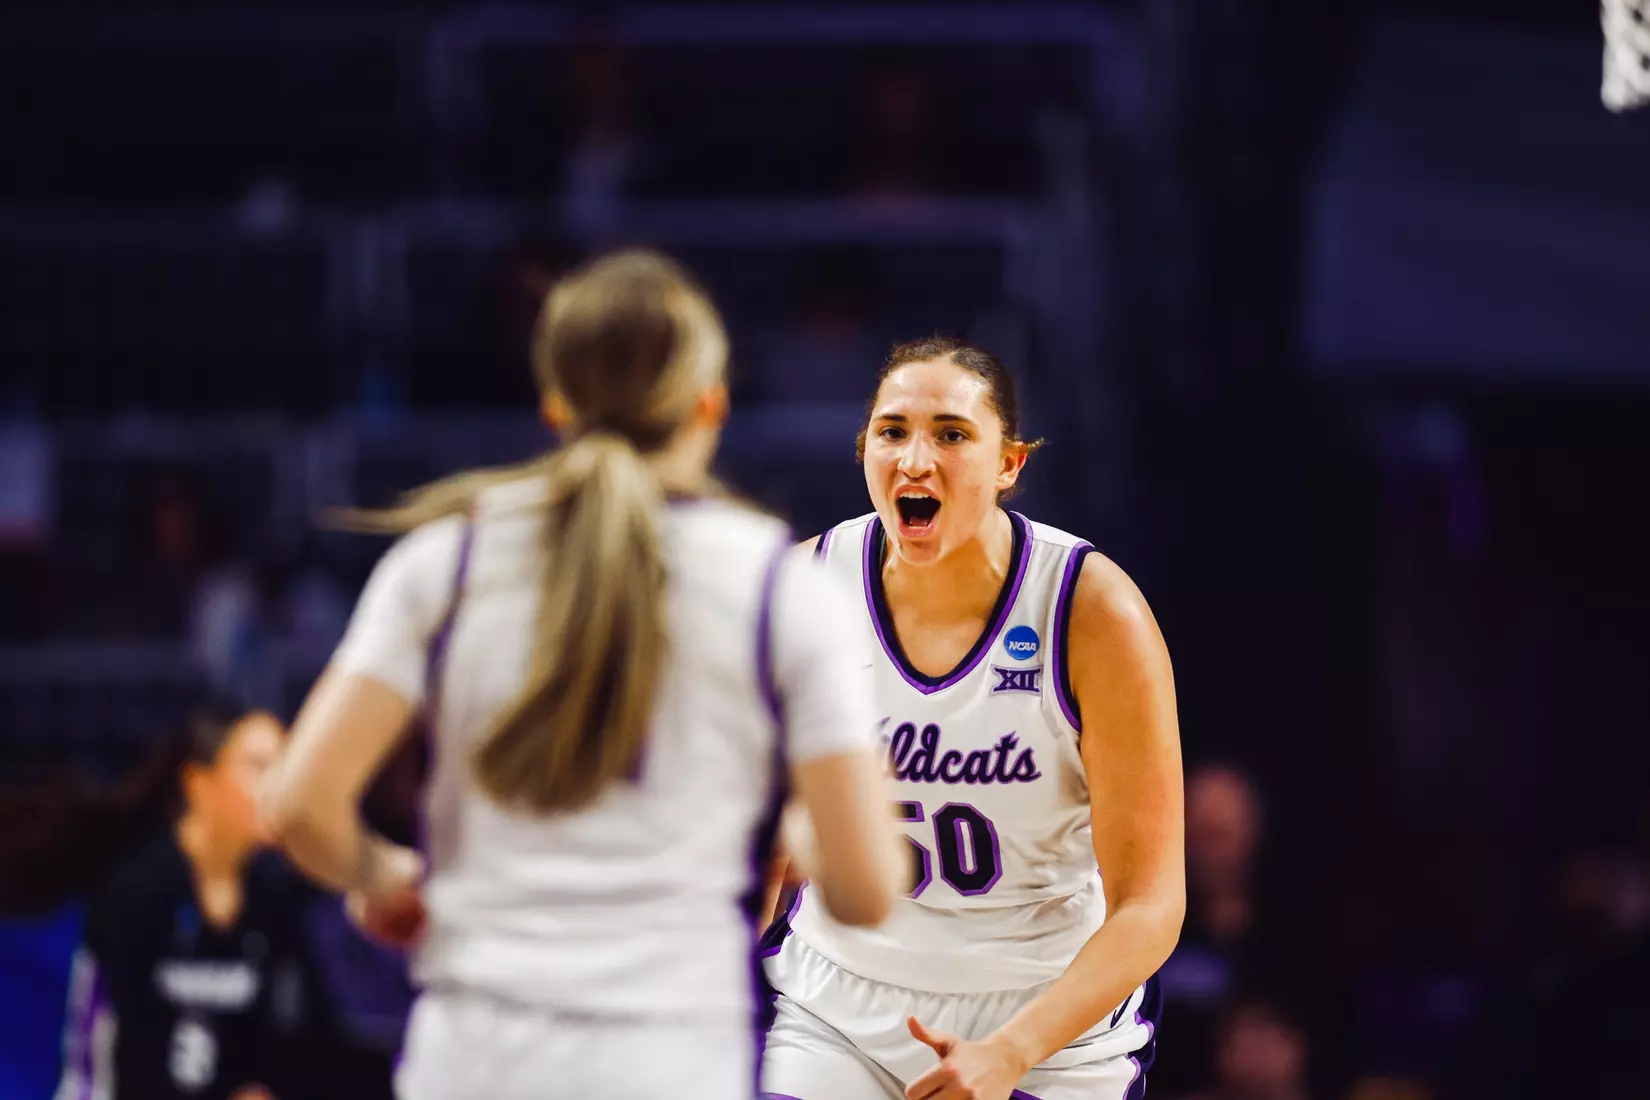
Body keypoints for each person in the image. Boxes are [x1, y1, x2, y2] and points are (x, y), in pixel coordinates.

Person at [259, 248, 904, 1100]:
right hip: (671, 1062)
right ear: (710, 405)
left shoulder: (445, 562)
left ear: (555, 406)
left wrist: (384, 877)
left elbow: (298, 805)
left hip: (474, 1060)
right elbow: (866, 891)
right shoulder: (779, 587)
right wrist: (802, 832)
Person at [761, 336, 1186, 1100]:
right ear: (864, 451)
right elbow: (768, 846)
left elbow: (1152, 905)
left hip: (1045, 1020)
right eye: (892, 432)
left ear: (1009, 464)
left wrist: (1011, 1052)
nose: (916, 459)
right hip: (840, 1004)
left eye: (952, 434)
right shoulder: (804, 589)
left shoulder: (1092, 611)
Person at [30, 701, 314, 1100]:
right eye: (258, 767)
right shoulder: (136, 888)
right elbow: (102, 1045)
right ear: (198, 782)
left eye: (285, 769)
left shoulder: (274, 895)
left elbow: (276, 1038)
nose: (277, 787)